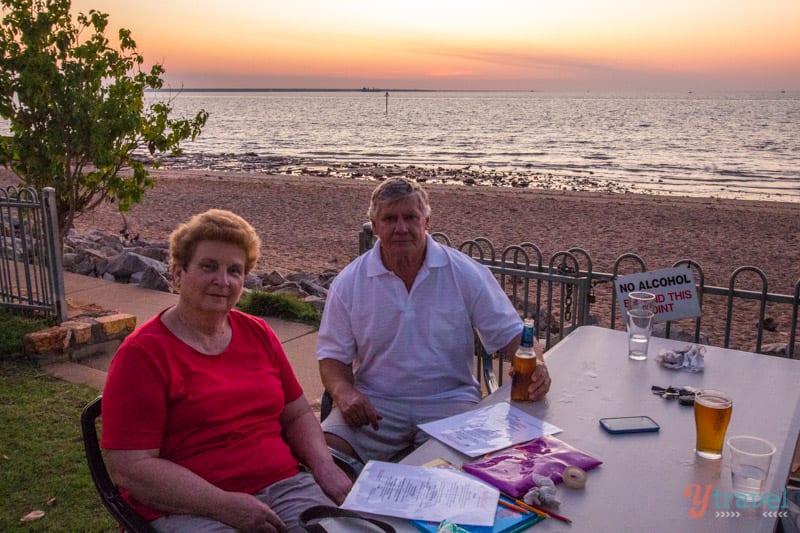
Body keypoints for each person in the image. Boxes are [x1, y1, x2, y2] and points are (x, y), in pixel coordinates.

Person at [101, 209, 352, 533]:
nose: (223, 281)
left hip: (282, 485)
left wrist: (324, 466)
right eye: (209, 267)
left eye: (235, 270)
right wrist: (226, 505)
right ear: (177, 273)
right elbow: (131, 468)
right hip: (191, 505)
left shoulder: (257, 333)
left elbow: (298, 414)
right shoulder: (142, 355)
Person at [317, 177, 551, 463]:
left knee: (467, 472)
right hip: (376, 405)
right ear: (374, 226)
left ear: (427, 222)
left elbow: (514, 336)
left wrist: (536, 364)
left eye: (410, 217)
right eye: (389, 219)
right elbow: (331, 357)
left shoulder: (465, 273)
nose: (401, 228)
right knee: (324, 454)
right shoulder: (349, 282)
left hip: (451, 403)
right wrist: (344, 394)